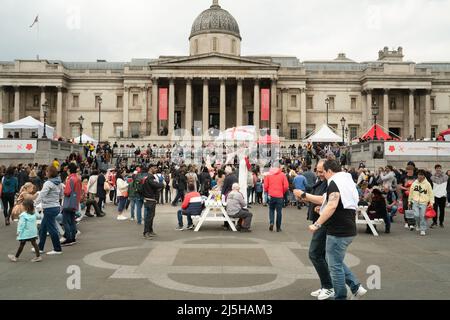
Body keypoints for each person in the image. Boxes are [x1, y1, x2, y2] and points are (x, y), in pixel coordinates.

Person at [294, 159, 367, 300]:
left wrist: (317, 224)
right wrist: (317, 206)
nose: (322, 176)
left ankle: (340, 295)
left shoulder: (334, 182)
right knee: (334, 262)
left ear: (329, 171)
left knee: (334, 267)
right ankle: (355, 287)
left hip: (338, 230)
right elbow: (330, 202)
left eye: (323, 172)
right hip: (347, 227)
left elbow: (332, 205)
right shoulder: (346, 180)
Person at [303, 160, 334, 300]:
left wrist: (304, 196)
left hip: (325, 223)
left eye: (321, 171)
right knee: (322, 255)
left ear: (329, 170)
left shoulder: (331, 183)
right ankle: (326, 286)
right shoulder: (322, 181)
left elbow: (324, 201)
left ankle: (329, 287)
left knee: (315, 254)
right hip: (321, 221)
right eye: (318, 170)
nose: (319, 173)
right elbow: (324, 202)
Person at [36, 166, 64, 255]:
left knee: (52, 229)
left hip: (49, 208)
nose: (46, 173)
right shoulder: (59, 182)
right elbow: (61, 194)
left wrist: (35, 203)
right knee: (43, 229)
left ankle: (57, 249)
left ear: (50, 172)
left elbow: (42, 195)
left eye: (47, 171)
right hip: (55, 206)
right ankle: (40, 248)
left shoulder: (48, 183)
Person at [408, 169, 434, 236]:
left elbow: (431, 194)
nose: (420, 176)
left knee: (423, 216)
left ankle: (423, 229)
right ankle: (418, 225)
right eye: (419, 174)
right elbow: (411, 193)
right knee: (416, 215)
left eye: (421, 175)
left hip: (424, 202)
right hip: (415, 201)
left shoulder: (427, 184)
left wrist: (431, 203)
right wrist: (409, 201)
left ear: (424, 176)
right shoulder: (414, 183)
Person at [61, 163, 82, 246]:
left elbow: (67, 192)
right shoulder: (77, 178)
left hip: (68, 202)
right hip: (75, 202)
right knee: (72, 221)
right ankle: (73, 238)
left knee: (65, 221)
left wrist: (64, 189)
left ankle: (69, 238)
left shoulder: (70, 179)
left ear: (69, 170)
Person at [141, 164, 164, 239]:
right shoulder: (151, 177)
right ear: (151, 168)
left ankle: (150, 231)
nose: (156, 170)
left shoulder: (145, 176)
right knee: (149, 217)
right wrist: (162, 185)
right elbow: (155, 185)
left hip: (146, 198)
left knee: (150, 216)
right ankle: (146, 232)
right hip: (151, 199)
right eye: (155, 168)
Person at [264, 166, 289, 232]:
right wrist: (282, 192)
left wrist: (267, 191)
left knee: (271, 209)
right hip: (279, 196)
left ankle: (271, 222)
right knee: (279, 212)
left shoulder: (268, 175)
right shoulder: (282, 175)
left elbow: (265, 186)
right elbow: (286, 186)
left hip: (271, 195)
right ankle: (278, 227)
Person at [399, 164, 417, 230]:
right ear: (407, 170)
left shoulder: (415, 177)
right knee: (406, 207)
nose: (410, 171)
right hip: (405, 194)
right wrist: (406, 189)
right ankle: (406, 221)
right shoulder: (403, 177)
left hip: (414, 195)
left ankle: (412, 222)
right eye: (409, 170)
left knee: (413, 208)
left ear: (413, 170)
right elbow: (400, 186)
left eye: (411, 170)